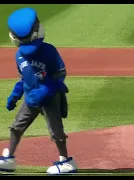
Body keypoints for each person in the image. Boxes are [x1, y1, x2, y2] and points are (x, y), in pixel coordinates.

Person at [0, 7, 77, 174]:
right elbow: (23, 77)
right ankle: (9, 159)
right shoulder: (19, 55)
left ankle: (66, 161)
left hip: (49, 98)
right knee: (16, 127)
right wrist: (15, 94)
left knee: (56, 131)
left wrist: (48, 88)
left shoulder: (49, 51)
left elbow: (61, 73)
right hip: (30, 98)